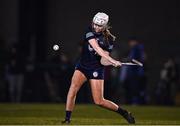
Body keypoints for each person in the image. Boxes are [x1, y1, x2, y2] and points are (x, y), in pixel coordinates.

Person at [62, 12, 135, 124]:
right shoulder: (89, 30)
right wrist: (113, 60)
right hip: (82, 66)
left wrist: (112, 63)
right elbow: (96, 48)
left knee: (99, 101)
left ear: (105, 25)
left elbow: (103, 60)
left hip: (96, 69)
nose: (96, 27)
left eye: (99, 25)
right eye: (95, 24)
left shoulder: (109, 39)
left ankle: (124, 113)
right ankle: (67, 119)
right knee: (72, 89)